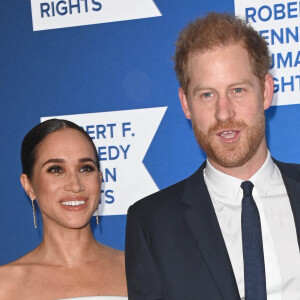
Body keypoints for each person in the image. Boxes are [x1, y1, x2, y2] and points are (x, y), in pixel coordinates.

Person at [125, 12, 300, 300]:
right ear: (185, 103)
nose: (223, 113)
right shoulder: (152, 223)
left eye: (238, 90)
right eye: (207, 95)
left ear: (266, 91)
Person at [0, 119, 128, 299]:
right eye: (56, 170)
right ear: (28, 185)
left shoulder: (138, 270)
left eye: (85, 168)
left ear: (99, 179)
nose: (75, 185)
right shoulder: (5, 285)